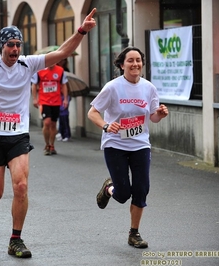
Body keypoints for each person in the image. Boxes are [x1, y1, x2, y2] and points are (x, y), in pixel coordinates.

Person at [0, 8, 96, 258]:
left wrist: (81, 30)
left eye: (18, 45)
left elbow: (63, 52)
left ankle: (16, 239)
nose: (15, 49)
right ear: (2, 46)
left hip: (18, 135)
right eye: (11, 45)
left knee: (21, 186)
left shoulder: (28, 64)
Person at [87, 46, 169, 249]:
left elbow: (153, 117)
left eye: (138, 60)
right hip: (115, 144)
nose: (135, 64)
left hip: (140, 144)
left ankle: (134, 233)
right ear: (122, 64)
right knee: (123, 194)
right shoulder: (113, 87)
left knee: (141, 189)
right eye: (130, 60)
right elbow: (93, 112)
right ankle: (109, 188)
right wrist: (106, 125)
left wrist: (160, 113)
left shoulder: (149, 88)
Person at [31, 65, 69, 155]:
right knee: (47, 122)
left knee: (53, 124)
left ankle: (52, 145)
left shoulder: (60, 70)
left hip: (56, 101)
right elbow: (34, 84)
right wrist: (34, 99)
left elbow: (64, 85)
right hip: (44, 101)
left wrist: (66, 99)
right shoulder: (39, 70)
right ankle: (47, 144)